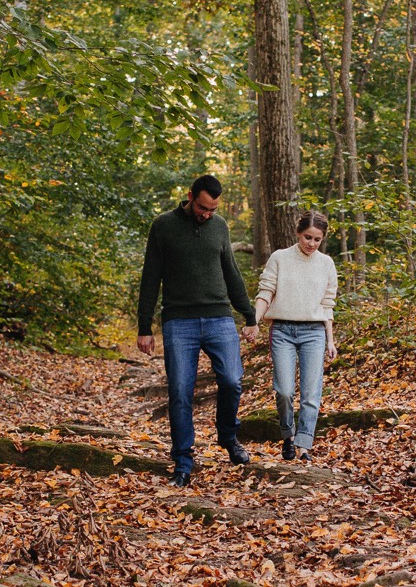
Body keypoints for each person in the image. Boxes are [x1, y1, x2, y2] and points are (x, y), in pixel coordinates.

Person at [137, 175, 259, 486]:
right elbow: (150, 276)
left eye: (213, 209)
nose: (207, 214)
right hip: (179, 322)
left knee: (232, 381)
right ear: (190, 197)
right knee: (179, 392)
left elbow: (231, 272)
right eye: (203, 207)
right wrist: (144, 326)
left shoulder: (219, 227)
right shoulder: (163, 225)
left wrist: (249, 315)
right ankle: (182, 461)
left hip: (219, 317)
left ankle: (228, 437)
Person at [254, 211, 338, 462]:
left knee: (311, 393)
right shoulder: (280, 258)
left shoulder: (326, 264)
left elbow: (327, 304)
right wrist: (254, 321)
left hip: (314, 332)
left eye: (317, 239)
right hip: (282, 331)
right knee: (284, 390)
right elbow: (266, 291)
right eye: (307, 237)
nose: (311, 244)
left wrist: (330, 339)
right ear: (298, 233)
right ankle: (287, 435)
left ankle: (304, 446)